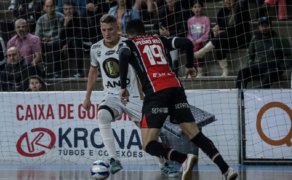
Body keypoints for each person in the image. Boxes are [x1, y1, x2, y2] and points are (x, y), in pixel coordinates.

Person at [119, 19, 238, 180]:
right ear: (145, 32)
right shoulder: (159, 39)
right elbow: (187, 43)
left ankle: (184, 159)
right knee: (195, 134)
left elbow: (123, 54)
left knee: (148, 144)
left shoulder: (129, 44)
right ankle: (226, 170)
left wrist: (122, 86)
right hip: (176, 88)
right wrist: (190, 65)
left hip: (156, 92)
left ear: (128, 35)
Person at [82, 14, 179, 177]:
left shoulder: (130, 44)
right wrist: (87, 96)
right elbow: (93, 71)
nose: (107, 33)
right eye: (104, 30)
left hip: (134, 96)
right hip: (112, 95)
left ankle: (164, 165)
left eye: (110, 29)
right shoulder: (96, 48)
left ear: (117, 29)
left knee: (149, 134)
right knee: (102, 114)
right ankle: (114, 159)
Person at [194, 0, 250, 76]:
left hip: (239, 39)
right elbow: (219, 24)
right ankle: (225, 70)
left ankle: (202, 52)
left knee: (220, 37)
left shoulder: (242, 11)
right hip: (225, 39)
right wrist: (216, 28)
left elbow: (240, 29)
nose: (228, 1)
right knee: (219, 42)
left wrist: (223, 32)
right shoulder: (222, 11)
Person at [236, 17, 292, 89]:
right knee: (242, 72)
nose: (264, 27)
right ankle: (239, 96)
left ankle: (259, 93)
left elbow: (289, 56)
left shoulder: (280, 39)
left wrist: (281, 67)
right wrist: (250, 62)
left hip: (273, 67)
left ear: (271, 26)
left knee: (270, 74)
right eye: (262, 25)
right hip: (258, 65)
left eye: (266, 25)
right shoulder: (255, 38)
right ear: (259, 27)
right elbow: (250, 54)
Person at [154, 0, 191, 77]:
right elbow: (155, 26)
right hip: (163, 38)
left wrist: (169, 33)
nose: (170, 0)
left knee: (173, 44)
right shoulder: (161, 11)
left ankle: (174, 70)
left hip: (177, 39)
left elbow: (184, 31)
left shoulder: (184, 12)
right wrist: (156, 33)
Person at [35, 0, 65, 78]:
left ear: (55, 7)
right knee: (38, 46)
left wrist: (50, 39)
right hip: (44, 41)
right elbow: (37, 34)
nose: (49, 8)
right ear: (44, 7)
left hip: (57, 41)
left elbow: (61, 34)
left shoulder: (60, 17)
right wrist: (41, 40)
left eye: (51, 6)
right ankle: (41, 72)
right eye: (47, 6)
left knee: (53, 44)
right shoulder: (40, 19)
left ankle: (58, 72)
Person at [60, 1, 88, 78]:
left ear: (74, 9)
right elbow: (61, 37)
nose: (68, 11)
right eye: (66, 9)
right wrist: (65, 25)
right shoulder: (64, 19)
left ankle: (80, 72)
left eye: (70, 9)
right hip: (72, 42)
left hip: (86, 42)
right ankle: (59, 72)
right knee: (57, 44)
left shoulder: (81, 17)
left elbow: (81, 34)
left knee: (76, 42)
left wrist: (68, 44)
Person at [187, 0, 210, 77]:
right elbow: (188, 34)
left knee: (195, 49)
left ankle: (200, 70)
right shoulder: (190, 21)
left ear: (202, 8)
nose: (197, 9)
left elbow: (207, 34)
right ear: (192, 9)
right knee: (190, 49)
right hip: (192, 42)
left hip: (202, 43)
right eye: (195, 7)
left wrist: (197, 41)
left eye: (199, 7)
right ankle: (191, 69)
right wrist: (192, 41)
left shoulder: (205, 19)